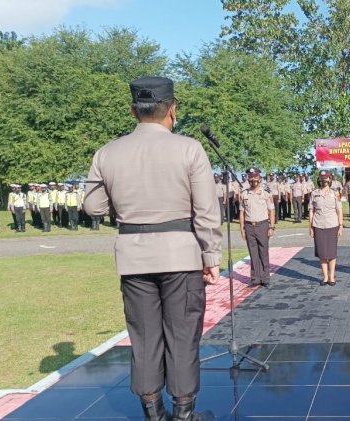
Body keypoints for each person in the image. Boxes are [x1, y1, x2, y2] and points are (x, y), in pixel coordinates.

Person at [84, 76, 221, 421]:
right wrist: (211, 256)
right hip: (181, 255)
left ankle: (153, 413)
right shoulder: (189, 148)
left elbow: (93, 207)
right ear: (172, 109)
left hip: (133, 256)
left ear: (134, 110)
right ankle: (184, 414)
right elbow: (205, 211)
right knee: (182, 335)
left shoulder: (107, 152)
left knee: (143, 337)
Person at [239, 168, 276, 287]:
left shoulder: (265, 193)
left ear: (259, 179)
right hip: (249, 226)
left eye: (255, 177)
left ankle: (265, 278)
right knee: (253, 252)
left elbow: (271, 211)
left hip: (263, 225)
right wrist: (242, 229)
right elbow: (241, 213)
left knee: (263, 252)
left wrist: (272, 227)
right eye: (251, 177)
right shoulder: (244, 194)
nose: (253, 179)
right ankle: (255, 278)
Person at [308, 171, 343, 285]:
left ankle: (332, 277)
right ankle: (325, 277)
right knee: (322, 253)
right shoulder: (314, 193)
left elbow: (339, 211)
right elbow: (311, 211)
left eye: (326, 179)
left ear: (329, 180)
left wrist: (341, 226)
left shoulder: (335, 194)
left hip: (332, 225)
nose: (324, 181)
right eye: (322, 179)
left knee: (332, 253)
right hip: (318, 225)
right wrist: (311, 227)